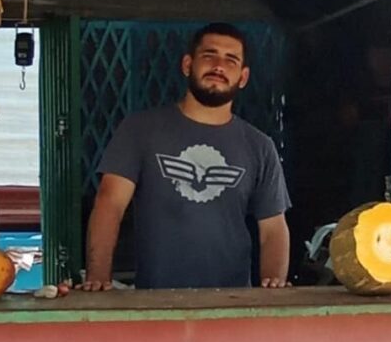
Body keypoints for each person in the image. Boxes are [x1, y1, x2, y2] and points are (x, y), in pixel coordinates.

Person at [77, 23, 291, 291]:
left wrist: (273, 288)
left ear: (243, 77)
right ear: (188, 64)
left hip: (233, 303)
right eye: (209, 55)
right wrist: (97, 278)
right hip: (155, 301)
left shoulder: (260, 146)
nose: (219, 66)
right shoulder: (140, 130)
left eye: (231, 60)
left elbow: (273, 228)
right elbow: (110, 204)